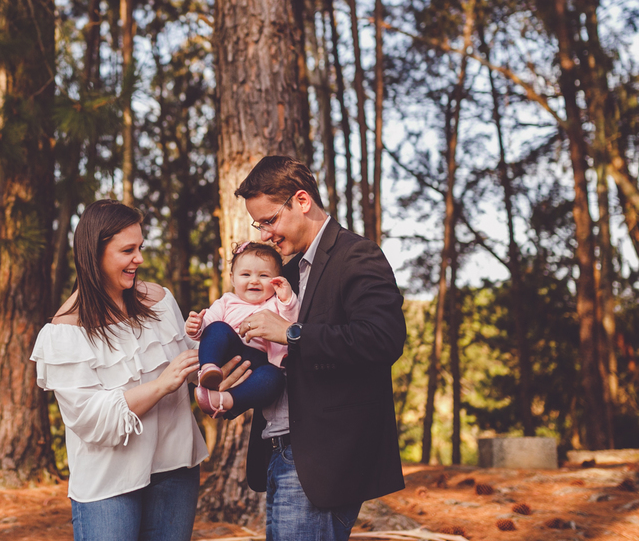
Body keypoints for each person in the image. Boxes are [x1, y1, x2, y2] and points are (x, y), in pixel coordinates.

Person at [233, 156, 406, 541]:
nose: (263, 234)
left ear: (302, 200)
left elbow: (384, 337)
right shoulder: (288, 273)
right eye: (258, 224)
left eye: (269, 220)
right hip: (278, 451)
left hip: (323, 459)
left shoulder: (358, 255)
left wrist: (294, 333)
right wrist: (231, 387)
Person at [31, 199, 210, 541]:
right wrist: (162, 385)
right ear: (94, 255)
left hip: (175, 469)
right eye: (128, 250)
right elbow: (91, 420)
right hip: (109, 485)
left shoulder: (160, 302)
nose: (139, 259)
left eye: (140, 247)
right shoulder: (64, 331)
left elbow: (189, 362)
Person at [186, 240, 299, 418]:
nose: (254, 281)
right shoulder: (226, 301)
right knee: (217, 329)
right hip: (230, 351)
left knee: (274, 379)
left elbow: (290, 324)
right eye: (245, 274)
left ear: (277, 280)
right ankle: (208, 370)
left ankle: (227, 400)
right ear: (232, 278)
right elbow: (207, 328)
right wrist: (196, 326)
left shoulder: (275, 304)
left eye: (263, 276)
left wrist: (287, 299)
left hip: (260, 362)